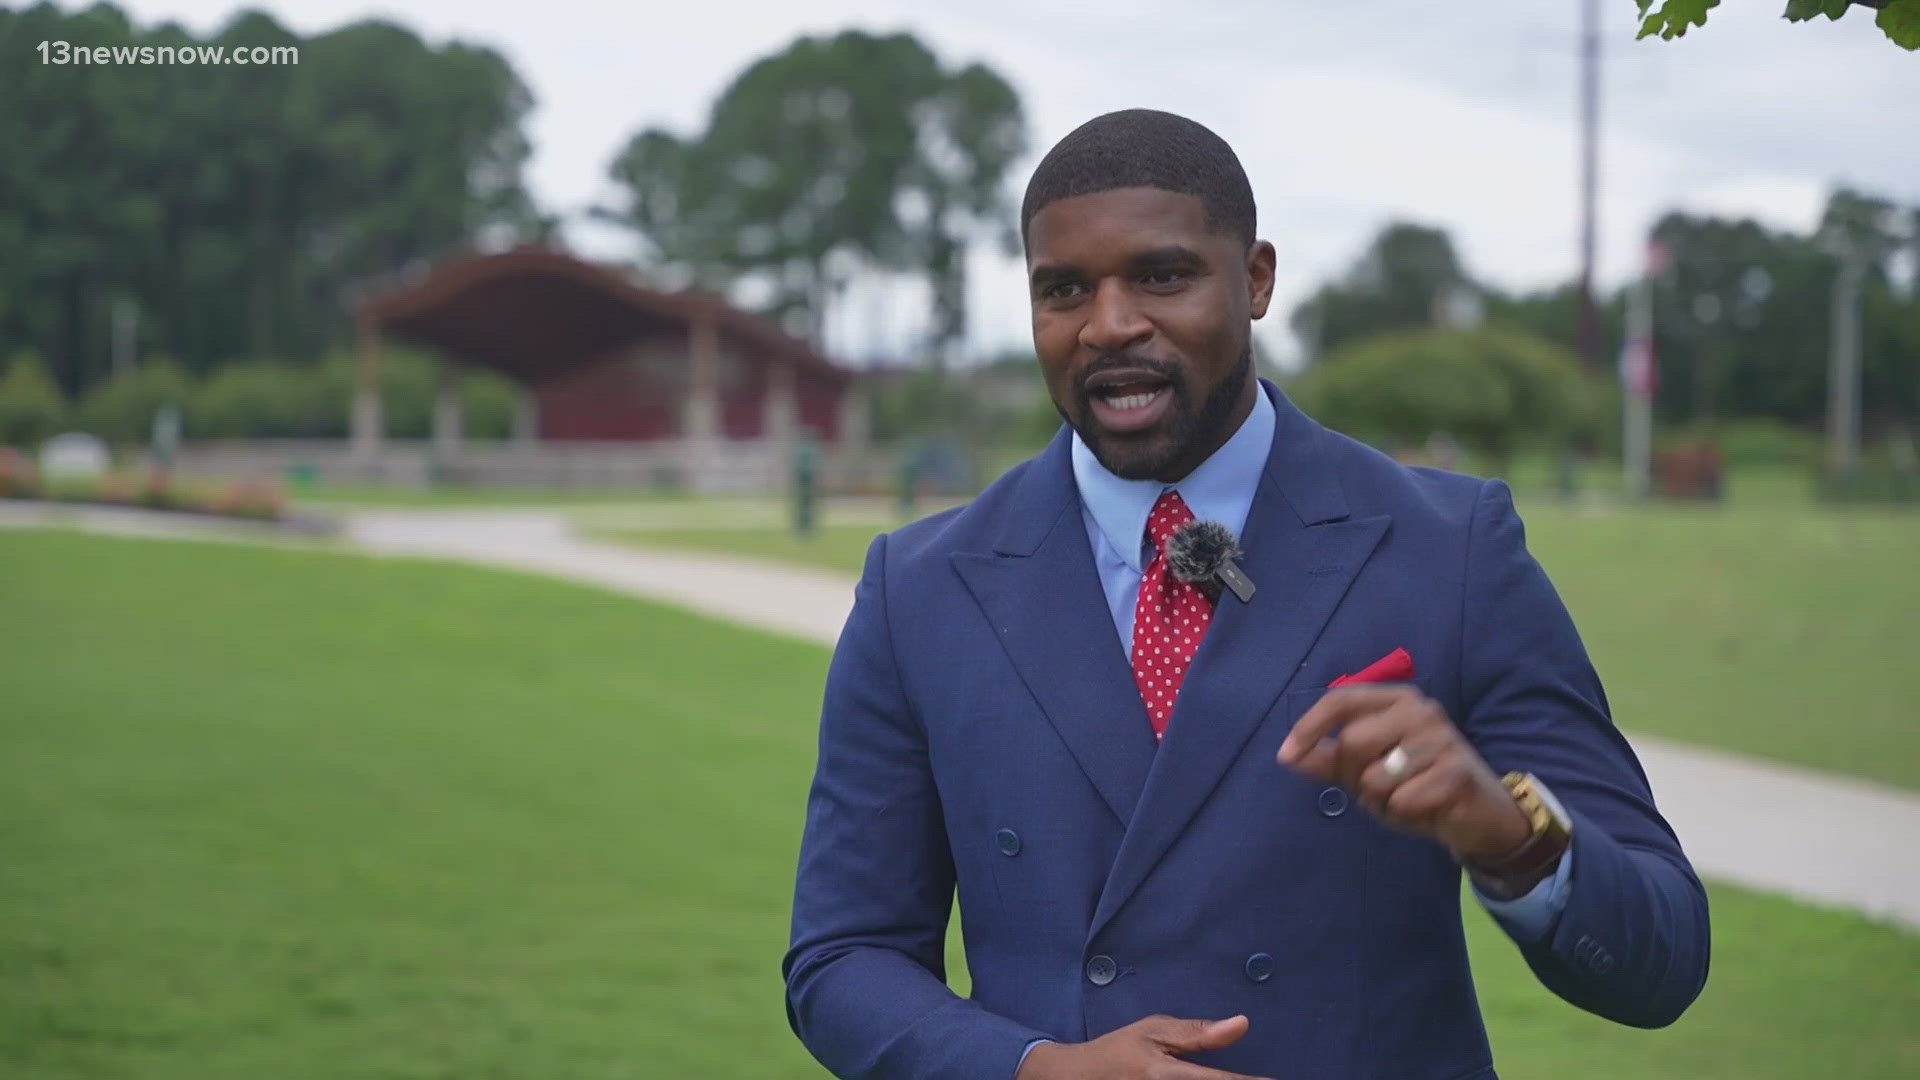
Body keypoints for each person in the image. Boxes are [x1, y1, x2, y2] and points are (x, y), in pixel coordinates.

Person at [784, 109, 1708, 1080]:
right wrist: (1038, 1068)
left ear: (1257, 278)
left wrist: (1513, 836)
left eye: (1161, 275)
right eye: (1064, 290)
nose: (1109, 324)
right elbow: (843, 961)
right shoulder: (919, 589)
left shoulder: (1451, 551)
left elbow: (1664, 961)